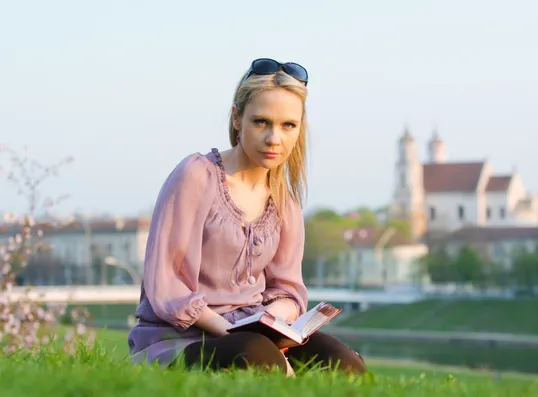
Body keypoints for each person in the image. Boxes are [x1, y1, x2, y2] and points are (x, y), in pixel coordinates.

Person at [127, 58, 368, 376]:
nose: (274, 139)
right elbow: (167, 285)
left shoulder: (285, 201)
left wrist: (274, 323)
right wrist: (245, 335)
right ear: (237, 118)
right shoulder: (196, 176)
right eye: (261, 122)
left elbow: (288, 289)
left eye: (288, 125)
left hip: (256, 332)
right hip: (182, 337)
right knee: (256, 356)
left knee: (344, 363)